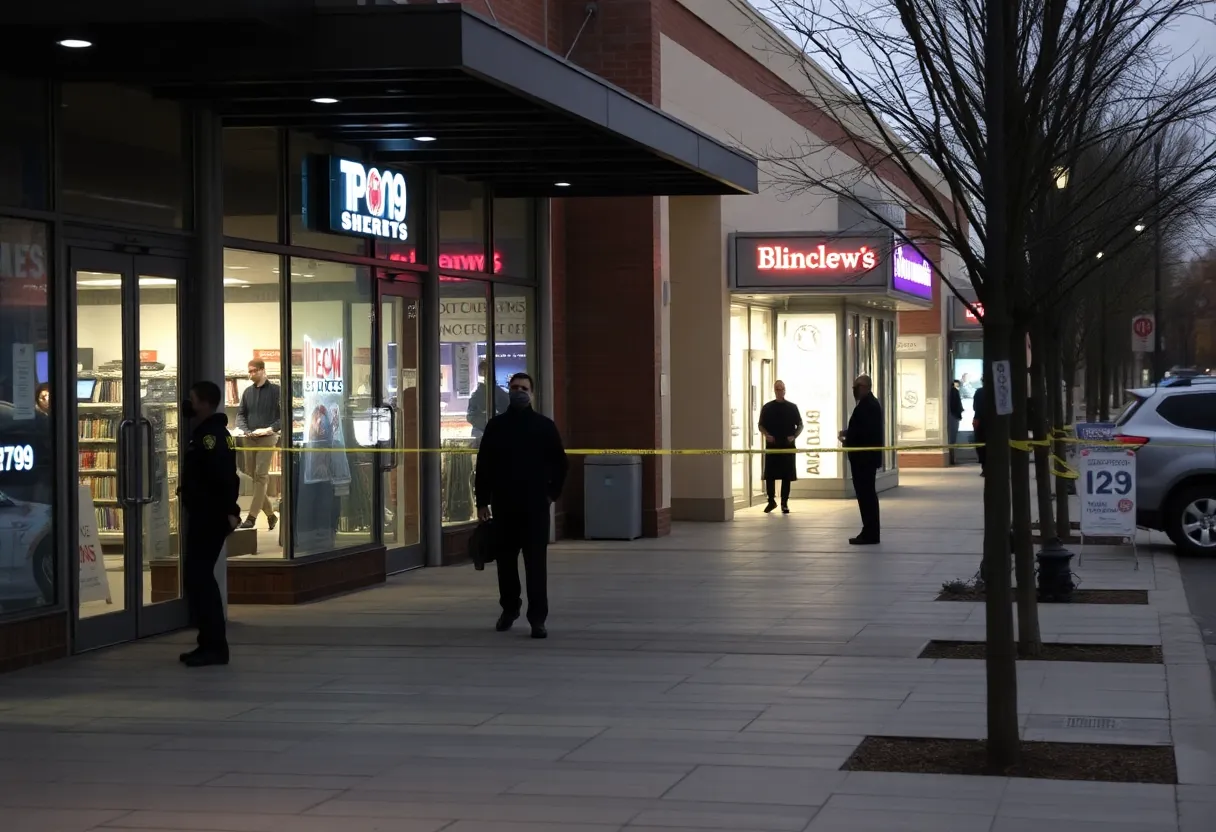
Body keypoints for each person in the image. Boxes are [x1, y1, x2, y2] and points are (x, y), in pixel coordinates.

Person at [475, 372, 568, 639]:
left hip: (535, 508)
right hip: (504, 507)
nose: (519, 392)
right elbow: (484, 466)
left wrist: (552, 494)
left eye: (524, 388)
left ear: (532, 393)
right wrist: (482, 501)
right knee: (505, 564)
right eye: (514, 387)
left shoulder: (544, 426)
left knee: (536, 565)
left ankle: (537, 619)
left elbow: (561, 464)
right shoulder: (496, 426)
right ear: (508, 390)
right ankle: (509, 609)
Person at [178, 381, 240, 667]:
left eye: (190, 398)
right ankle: (208, 643)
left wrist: (229, 510)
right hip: (206, 514)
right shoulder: (207, 433)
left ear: (203, 403)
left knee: (200, 579)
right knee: (198, 578)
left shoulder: (211, 437)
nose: (186, 403)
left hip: (209, 516)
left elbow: (225, 477)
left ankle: (214, 646)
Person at [236, 359, 280, 530]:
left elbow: (283, 416)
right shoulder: (247, 392)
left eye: (254, 371)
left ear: (263, 370)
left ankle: (252, 517)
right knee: (252, 474)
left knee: (260, 475)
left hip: (268, 437)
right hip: (250, 437)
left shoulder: (276, 390)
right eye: (250, 371)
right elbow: (240, 414)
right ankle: (270, 515)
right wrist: (246, 430)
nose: (251, 374)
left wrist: (270, 429)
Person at [839, 374, 883, 545]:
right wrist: (848, 434)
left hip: (864, 460)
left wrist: (848, 439)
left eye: (857, 387)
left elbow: (865, 434)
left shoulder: (868, 406)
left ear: (865, 387)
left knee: (866, 496)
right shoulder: (868, 404)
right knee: (867, 496)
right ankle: (869, 530)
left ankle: (870, 532)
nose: (854, 390)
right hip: (864, 459)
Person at [757, 380, 803, 514]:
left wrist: (794, 436)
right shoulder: (767, 408)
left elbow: (800, 425)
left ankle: (784, 502)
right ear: (774, 390)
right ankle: (771, 500)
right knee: (770, 475)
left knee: (786, 475)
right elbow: (760, 425)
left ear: (785, 390)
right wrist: (766, 435)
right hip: (772, 445)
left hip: (787, 445)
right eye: (777, 389)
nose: (779, 391)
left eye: (781, 389)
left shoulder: (792, 407)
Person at [467, 360, 509, 443]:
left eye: (487, 372)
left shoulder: (501, 393)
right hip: (480, 433)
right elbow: (470, 416)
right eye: (483, 372)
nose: (485, 375)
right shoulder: (476, 395)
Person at [972, 378, 988, 476]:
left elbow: (975, 407)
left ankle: (984, 467)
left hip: (980, 421)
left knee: (981, 444)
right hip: (993, 423)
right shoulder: (996, 393)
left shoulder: (979, 392)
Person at [948, 379, 964, 465]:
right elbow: (956, 405)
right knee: (953, 438)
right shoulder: (954, 392)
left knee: (952, 438)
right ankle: (952, 458)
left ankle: (952, 457)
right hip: (954, 416)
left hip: (953, 415)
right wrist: (959, 412)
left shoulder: (952, 392)